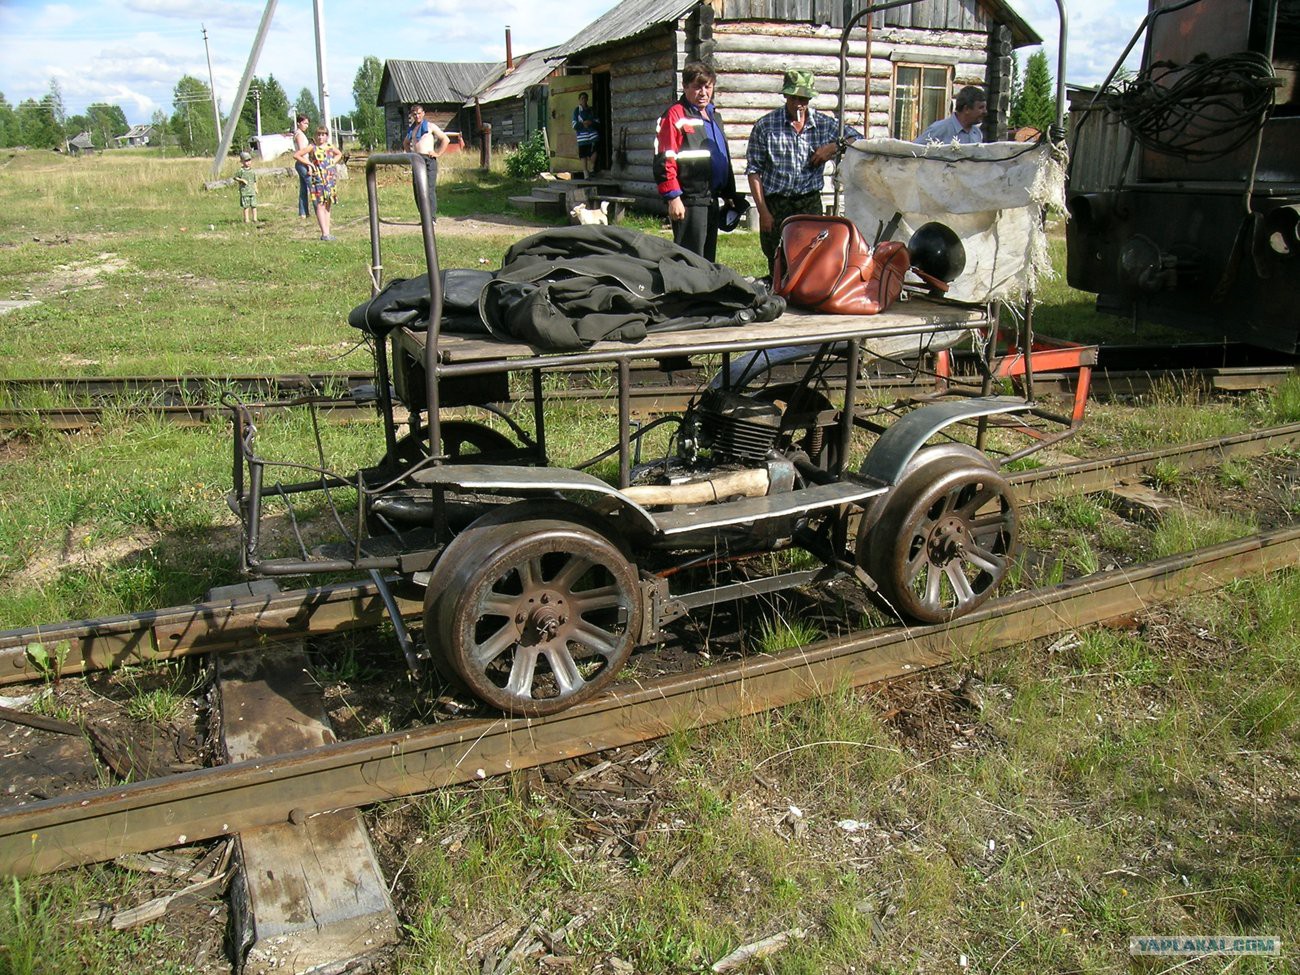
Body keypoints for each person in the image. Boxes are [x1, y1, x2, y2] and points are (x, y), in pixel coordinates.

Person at [746, 69, 861, 276]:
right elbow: (754, 171)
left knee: (811, 259)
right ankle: (779, 300)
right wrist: (763, 212)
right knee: (777, 260)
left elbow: (858, 140)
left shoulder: (824, 124)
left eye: (804, 98)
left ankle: (806, 299)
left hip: (808, 203)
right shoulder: (766, 126)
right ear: (786, 96)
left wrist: (832, 147)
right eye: (795, 98)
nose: (799, 103)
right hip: (776, 203)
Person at [653, 61, 742, 263]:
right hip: (690, 200)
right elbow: (664, 158)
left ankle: (704, 294)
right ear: (685, 87)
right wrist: (673, 197)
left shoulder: (713, 115)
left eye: (707, 86)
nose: (703, 92)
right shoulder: (675, 115)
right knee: (689, 259)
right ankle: (686, 294)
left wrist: (729, 193)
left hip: (711, 199)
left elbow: (722, 156)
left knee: (707, 259)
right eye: (697, 87)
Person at [294, 125, 341, 241]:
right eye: (318, 135)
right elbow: (296, 155)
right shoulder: (312, 147)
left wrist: (333, 162)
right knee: (320, 204)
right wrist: (309, 164)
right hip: (318, 178)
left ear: (327, 136)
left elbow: (339, 154)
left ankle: (328, 232)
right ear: (316, 136)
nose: (320, 137)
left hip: (329, 178)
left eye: (323, 135)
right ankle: (324, 233)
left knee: (328, 203)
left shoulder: (330, 146)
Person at [403, 103, 449, 216]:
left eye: (419, 113)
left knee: (429, 189)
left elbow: (445, 139)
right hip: (417, 160)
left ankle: (432, 218)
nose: (417, 116)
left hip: (429, 159)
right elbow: (406, 143)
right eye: (415, 114)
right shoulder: (411, 130)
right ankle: (424, 217)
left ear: (423, 114)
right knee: (418, 190)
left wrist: (438, 153)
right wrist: (411, 155)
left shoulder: (430, 126)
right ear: (412, 115)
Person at [915, 85, 986, 145]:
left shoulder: (977, 133)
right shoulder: (939, 129)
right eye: (981, 108)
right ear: (966, 109)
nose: (985, 111)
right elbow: (914, 152)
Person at [571, 92, 599, 179]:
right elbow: (574, 125)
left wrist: (591, 123)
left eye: (585, 98)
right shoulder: (577, 111)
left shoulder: (591, 110)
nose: (584, 100)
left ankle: (592, 168)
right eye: (582, 98)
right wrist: (583, 124)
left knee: (596, 149)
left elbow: (597, 122)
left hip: (593, 134)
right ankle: (585, 173)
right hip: (582, 136)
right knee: (583, 155)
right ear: (579, 100)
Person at [291, 114, 311, 219]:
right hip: (303, 162)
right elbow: (301, 152)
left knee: (303, 188)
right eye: (305, 123)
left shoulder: (300, 134)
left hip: (302, 162)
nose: (306, 125)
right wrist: (309, 166)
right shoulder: (299, 135)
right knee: (313, 186)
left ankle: (303, 212)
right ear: (299, 123)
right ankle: (319, 211)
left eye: (308, 123)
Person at [234, 151, 258, 223]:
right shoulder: (241, 171)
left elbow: (254, 181)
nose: (248, 162)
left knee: (254, 206)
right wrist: (242, 180)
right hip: (245, 192)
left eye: (249, 160)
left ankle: (255, 219)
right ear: (242, 161)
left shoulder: (252, 171)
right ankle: (246, 219)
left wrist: (256, 188)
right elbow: (235, 177)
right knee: (246, 206)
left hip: (252, 191)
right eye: (246, 161)